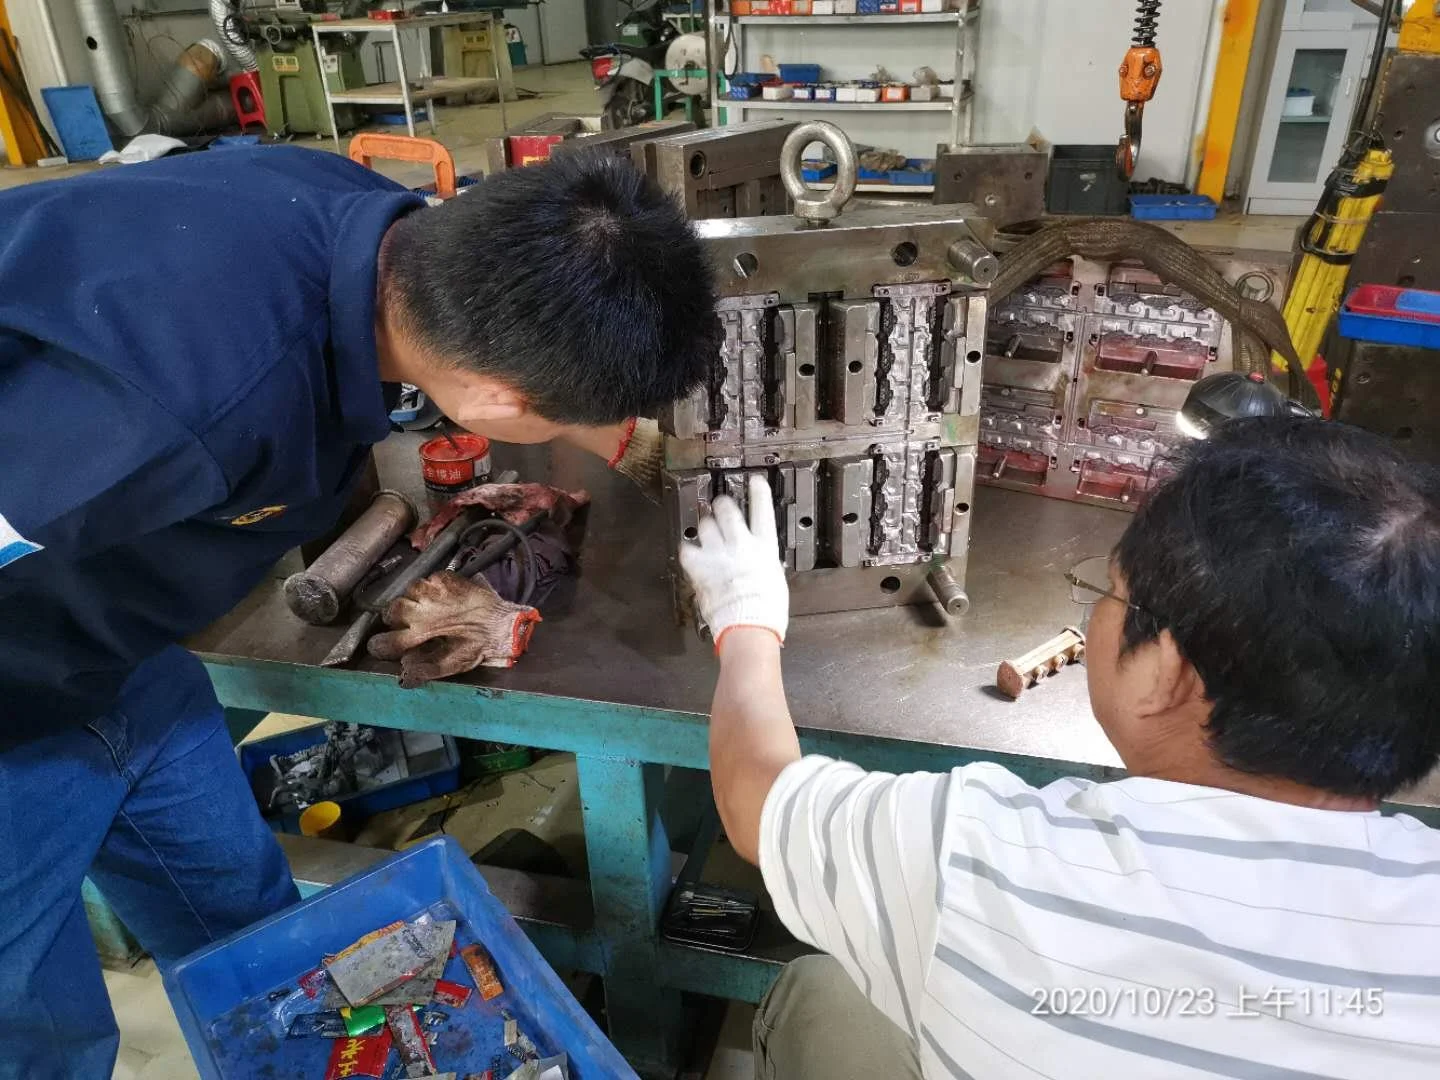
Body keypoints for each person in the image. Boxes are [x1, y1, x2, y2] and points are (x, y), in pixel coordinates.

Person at [0, 145, 717, 1076]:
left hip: (115, 665)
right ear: (494, 399)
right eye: (564, 423)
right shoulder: (181, 410)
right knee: (41, 1039)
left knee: (259, 949)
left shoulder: (375, 220)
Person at [679, 417, 1440, 1079]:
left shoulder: (986, 863)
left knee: (822, 994)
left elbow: (756, 801)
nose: (1100, 615)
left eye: (1111, 593)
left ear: (1171, 672)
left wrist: (745, 620)